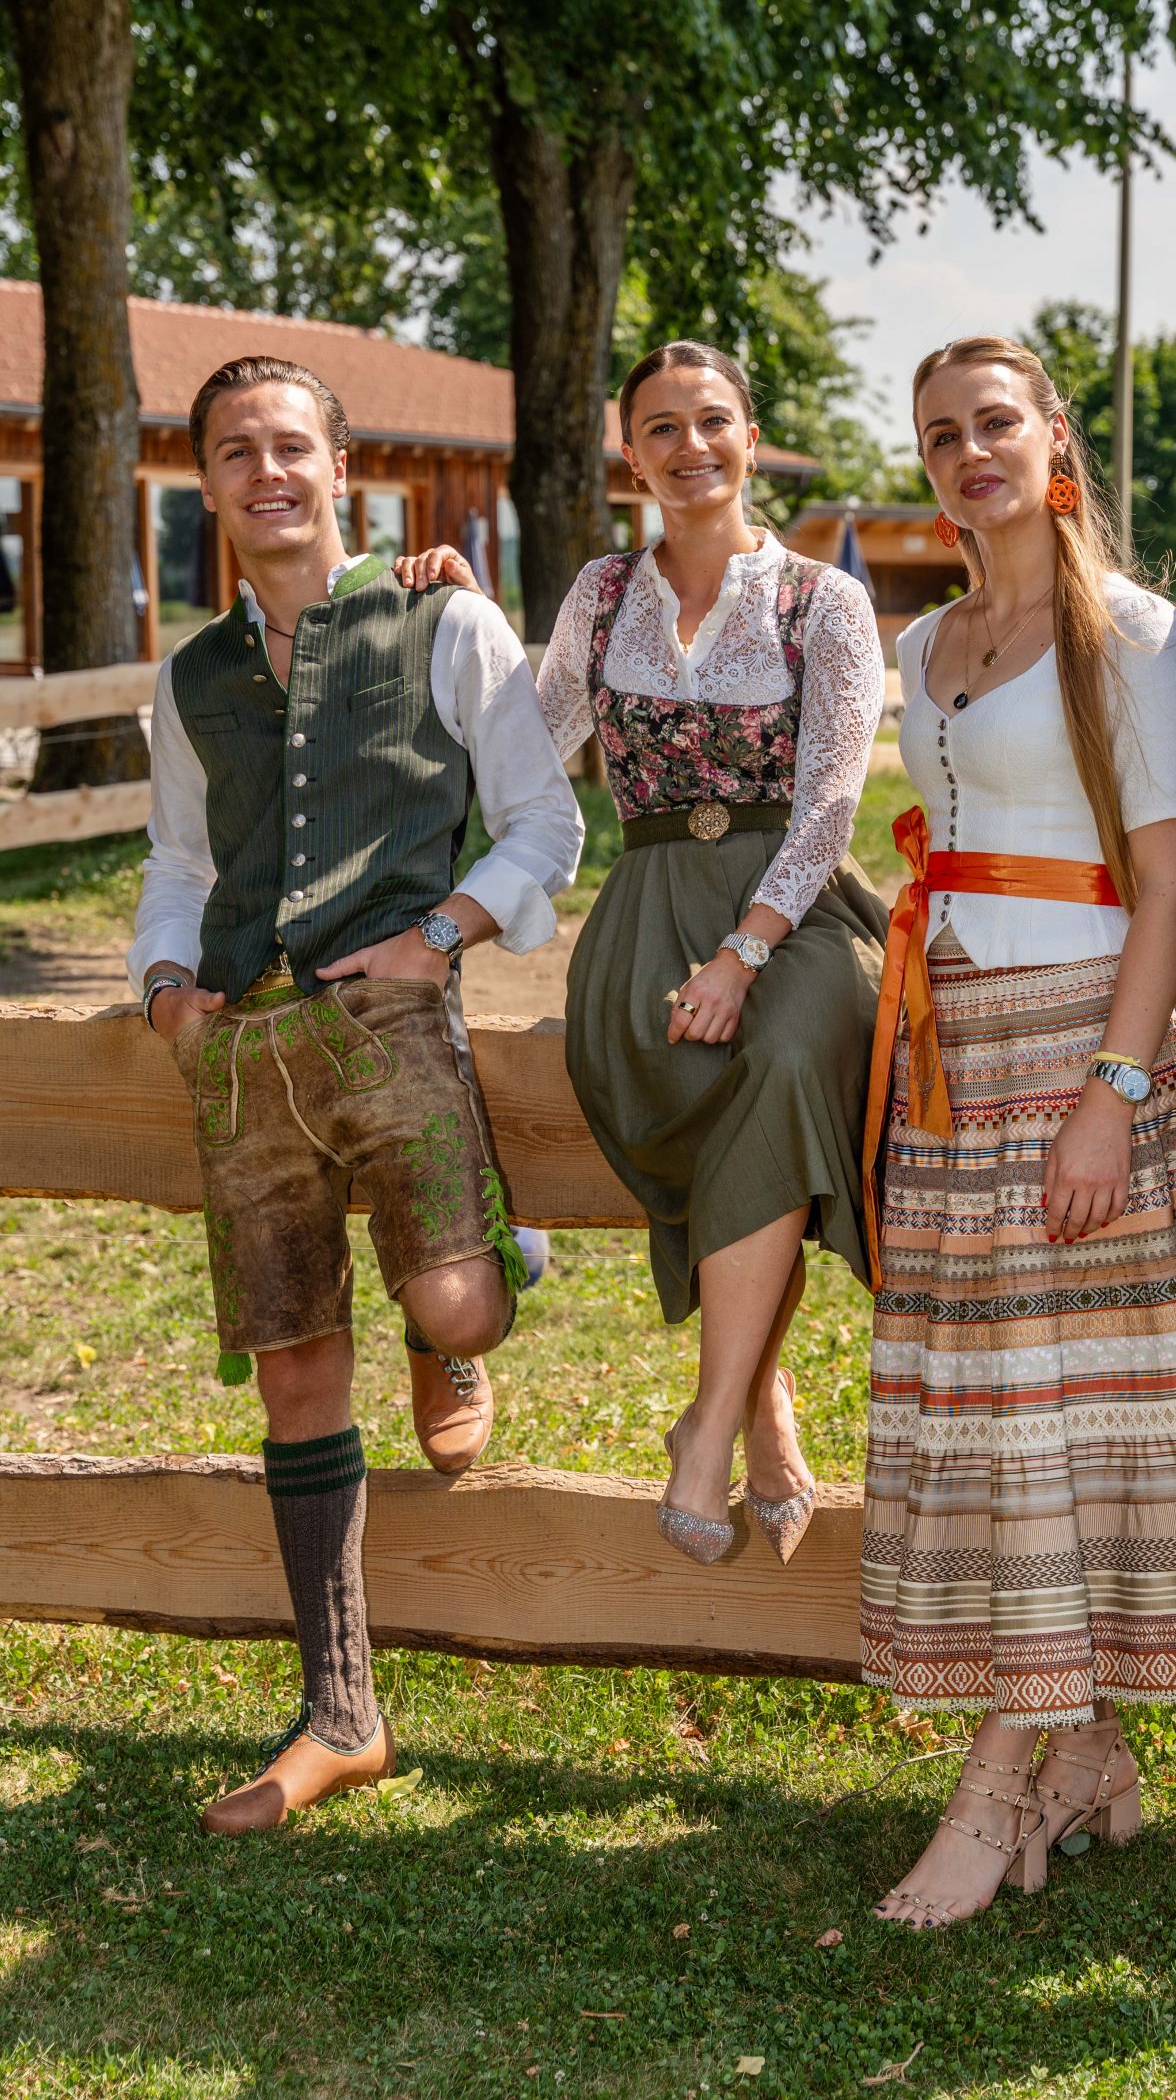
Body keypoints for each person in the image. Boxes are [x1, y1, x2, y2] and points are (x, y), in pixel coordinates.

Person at [859, 334, 1176, 1931]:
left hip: (1079, 1052)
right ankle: (1084, 1753)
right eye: (939, 433)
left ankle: (996, 1788)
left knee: (1057, 1420)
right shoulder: (920, 642)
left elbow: (1172, 879)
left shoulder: (1130, 633)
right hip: (950, 1055)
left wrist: (1113, 1100)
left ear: (1053, 438)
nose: (968, 453)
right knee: (1004, 1424)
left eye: (995, 422)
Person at [131, 355, 581, 1834]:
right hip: (245, 1044)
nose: (266, 472)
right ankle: (341, 1716)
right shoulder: (188, 677)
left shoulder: (447, 618)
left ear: (341, 468)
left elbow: (543, 822)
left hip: (392, 1015)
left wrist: (439, 933)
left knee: (458, 1305)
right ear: (207, 482)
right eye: (235, 451)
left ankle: (463, 1296)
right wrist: (164, 985)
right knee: (293, 1376)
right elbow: (180, 862)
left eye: (290, 447)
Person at [402, 339, 888, 1565]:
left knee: (787, 1060)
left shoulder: (822, 600)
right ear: (631, 455)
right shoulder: (605, 591)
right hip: (646, 907)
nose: (690, 446)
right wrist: (461, 615)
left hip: (793, 910)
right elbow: (522, 740)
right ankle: (763, 1397)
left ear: (751, 437)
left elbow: (831, 807)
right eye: (661, 427)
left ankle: (708, 1422)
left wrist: (742, 954)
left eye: (713, 420)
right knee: (713, 1092)